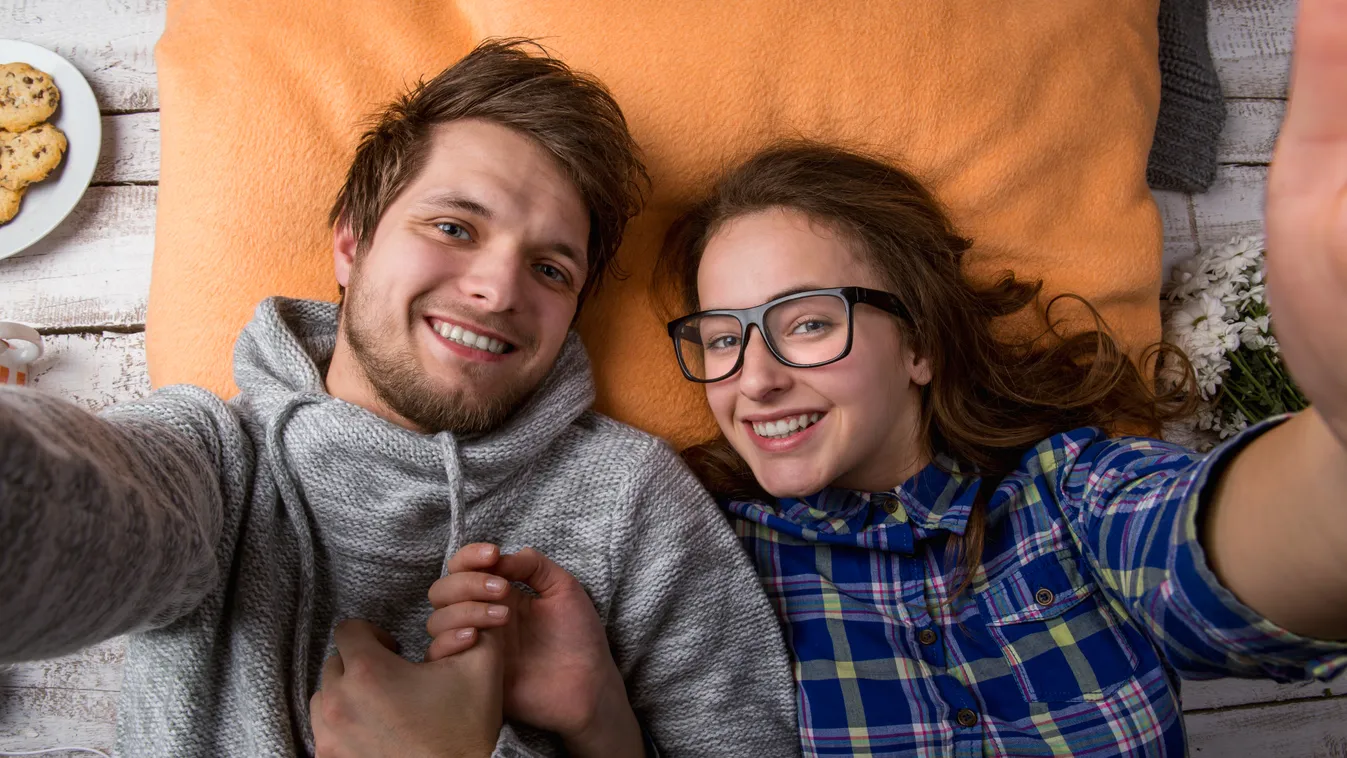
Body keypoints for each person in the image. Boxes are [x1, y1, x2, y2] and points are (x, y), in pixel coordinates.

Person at [426, 1, 1347, 755]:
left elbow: (1220, 557)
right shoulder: (704, 564)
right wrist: (597, 717)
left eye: (807, 323)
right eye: (722, 339)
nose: (754, 381)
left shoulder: (1067, 500)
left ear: (920, 344)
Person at [0, 40, 799, 758]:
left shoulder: (633, 499)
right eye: (453, 227)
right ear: (352, 242)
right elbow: (54, 515)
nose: (497, 290)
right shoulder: (212, 461)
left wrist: (599, 722)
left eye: (550, 269)